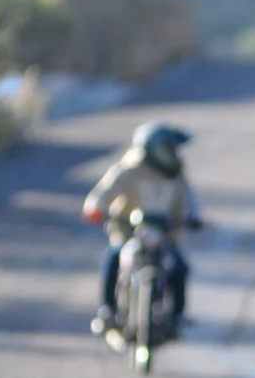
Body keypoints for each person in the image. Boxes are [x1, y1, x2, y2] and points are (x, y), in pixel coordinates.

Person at [82, 122, 202, 337]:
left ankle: (177, 317)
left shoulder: (175, 175)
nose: (174, 154)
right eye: (169, 148)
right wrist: (95, 209)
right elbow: (102, 195)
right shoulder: (129, 170)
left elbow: (187, 203)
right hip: (128, 233)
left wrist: (191, 219)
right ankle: (108, 310)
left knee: (179, 266)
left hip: (164, 235)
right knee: (113, 257)